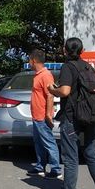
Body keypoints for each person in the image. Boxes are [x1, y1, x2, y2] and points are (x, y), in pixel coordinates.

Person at [46, 38, 95, 189]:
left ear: (65, 50)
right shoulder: (88, 66)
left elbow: (65, 91)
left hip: (72, 117)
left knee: (70, 157)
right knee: (91, 152)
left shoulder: (68, 67)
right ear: (82, 50)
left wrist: (53, 89)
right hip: (89, 116)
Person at [27, 49, 62, 179]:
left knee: (48, 142)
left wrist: (48, 114)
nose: (29, 62)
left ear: (34, 60)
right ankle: (40, 166)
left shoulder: (45, 75)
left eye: (29, 60)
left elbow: (50, 96)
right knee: (39, 142)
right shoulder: (38, 75)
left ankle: (55, 169)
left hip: (42, 116)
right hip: (36, 115)